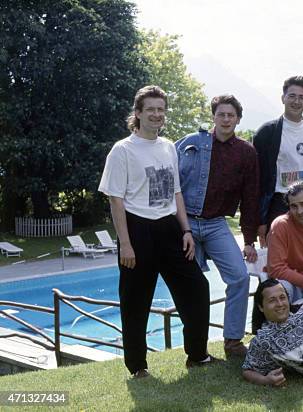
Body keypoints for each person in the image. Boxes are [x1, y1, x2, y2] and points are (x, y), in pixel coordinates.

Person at [98, 85, 213, 378]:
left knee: (197, 288)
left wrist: (185, 230)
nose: (156, 114)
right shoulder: (122, 150)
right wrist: (125, 243)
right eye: (150, 109)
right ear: (138, 113)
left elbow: (176, 193)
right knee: (136, 301)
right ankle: (138, 367)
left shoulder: (167, 146)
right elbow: (115, 199)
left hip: (169, 228)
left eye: (161, 109)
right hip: (138, 229)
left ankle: (197, 355)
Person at [175, 94, 259, 358]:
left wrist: (248, 240)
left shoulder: (246, 152)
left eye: (230, 115)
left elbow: (251, 197)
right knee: (193, 287)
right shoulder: (192, 144)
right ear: (213, 116)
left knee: (240, 277)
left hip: (216, 225)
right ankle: (196, 349)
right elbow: (172, 186)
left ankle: (233, 341)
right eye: (221, 114)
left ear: (238, 119)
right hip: (185, 222)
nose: (225, 119)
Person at [253, 75, 303, 246]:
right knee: (276, 257)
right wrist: (260, 221)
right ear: (283, 98)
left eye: (302, 97)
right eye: (292, 96)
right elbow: (257, 180)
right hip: (280, 203)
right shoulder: (266, 133)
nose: (297, 101)